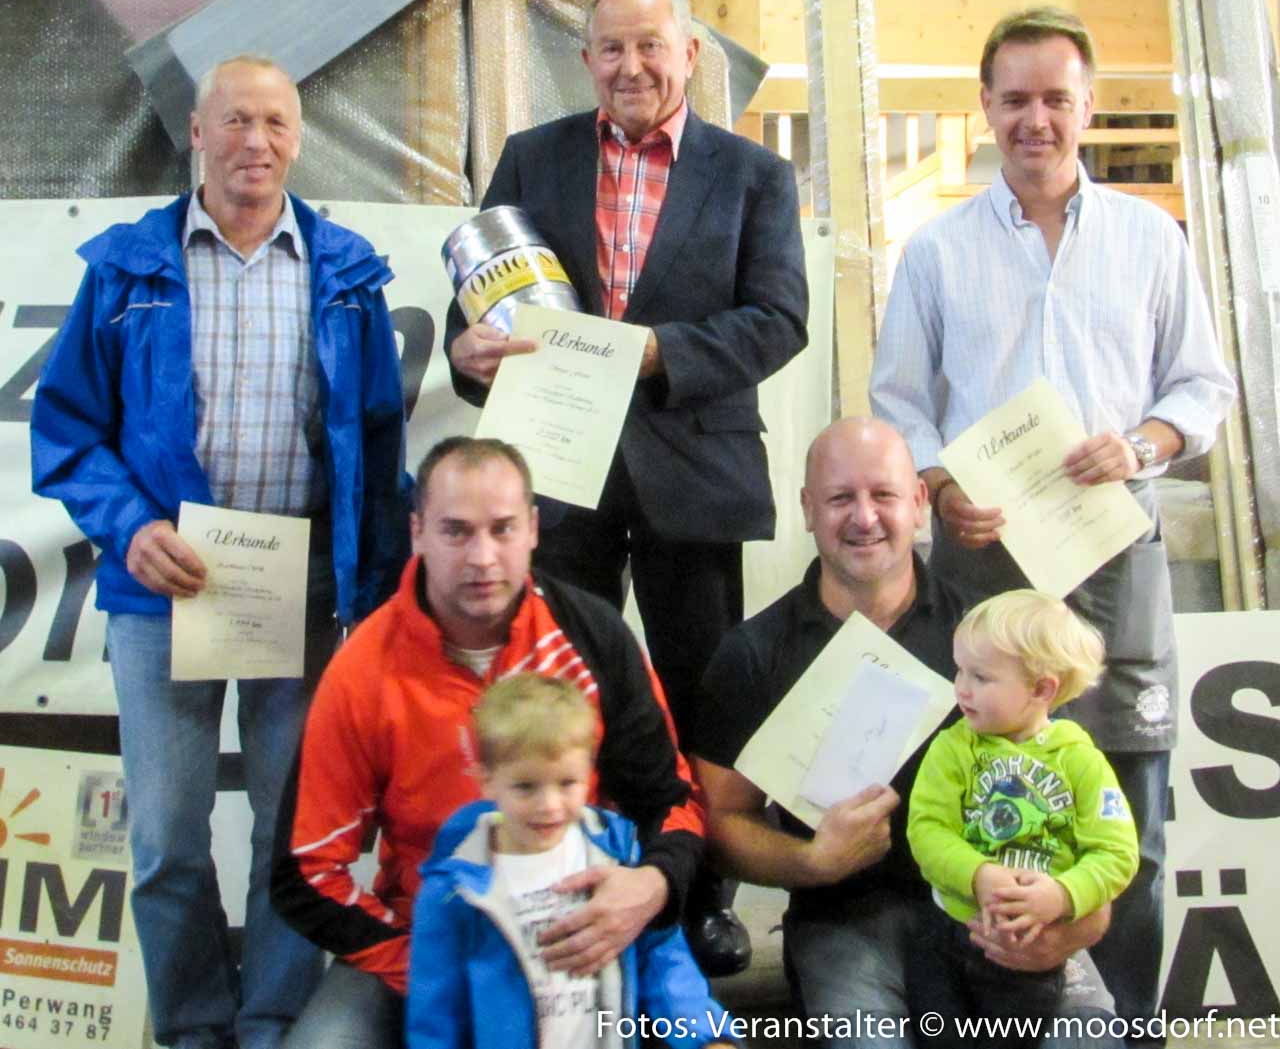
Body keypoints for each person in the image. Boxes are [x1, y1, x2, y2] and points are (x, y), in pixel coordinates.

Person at [869, 5, 1235, 1040]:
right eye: (1016, 99)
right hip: (985, 564)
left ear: (1088, 106)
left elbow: (1201, 387)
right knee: (975, 807)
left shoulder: (1149, 238)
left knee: (1130, 818)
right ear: (985, 107)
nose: (1036, 119)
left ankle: (1121, 1026)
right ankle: (992, 1022)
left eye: (1056, 99)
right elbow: (899, 401)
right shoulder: (935, 251)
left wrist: (1144, 445)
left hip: (1114, 554)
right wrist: (941, 486)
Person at [29, 55, 409, 1049]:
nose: (256, 141)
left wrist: (376, 601)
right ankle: (195, 1026)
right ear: (196, 133)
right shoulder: (127, 270)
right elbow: (67, 430)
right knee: (163, 837)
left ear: (297, 138)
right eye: (236, 119)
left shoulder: (345, 274)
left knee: (294, 831)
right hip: (164, 590)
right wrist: (131, 527)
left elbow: (378, 444)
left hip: (300, 589)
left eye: (275, 122)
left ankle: (274, 1018)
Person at [445, 0, 810, 973]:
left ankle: (697, 901)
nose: (631, 65)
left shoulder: (752, 175)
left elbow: (779, 319)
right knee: (562, 685)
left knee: (702, 691)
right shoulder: (533, 158)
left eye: (651, 46)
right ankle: (569, 873)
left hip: (695, 469)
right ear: (585, 60)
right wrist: (466, 356)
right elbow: (479, 305)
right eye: (610, 48)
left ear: (690, 54)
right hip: (559, 467)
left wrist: (656, 353)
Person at [693, 416, 1127, 1049]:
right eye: (840, 498)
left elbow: (1079, 799)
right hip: (847, 918)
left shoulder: (993, 636)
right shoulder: (752, 654)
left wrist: (1078, 922)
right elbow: (720, 822)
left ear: (920, 503)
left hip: (1002, 909)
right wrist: (812, 862)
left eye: (884, 495)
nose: (864, 517)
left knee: (1088, 1041)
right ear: (807, 509)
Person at [272, 436, 705, 1049]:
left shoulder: (594, 636)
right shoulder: (363, 670)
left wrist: (652, 887)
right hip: (427, 937)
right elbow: (303, 870)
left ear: (532, 529)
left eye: (502, 529)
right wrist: (438, 962)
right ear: (418, 532)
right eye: (456, 531)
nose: (482, 557)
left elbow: (671, 800)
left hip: (583, 930)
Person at [407, 673, 733, 1049]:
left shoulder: (617, 856)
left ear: (589, 772)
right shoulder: (453, 892)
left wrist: (707, 1037)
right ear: (486, 779)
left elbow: (663, 961)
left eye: (567, 783)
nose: (549, 805)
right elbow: (435, 1020)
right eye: (526, 786)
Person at [906, 591, 1139, 1049]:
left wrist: (1062, 895)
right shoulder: (952, 748)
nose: (962, 688)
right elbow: (927, 829)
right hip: (948, 935)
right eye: (959, 670)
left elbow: (1117, 853)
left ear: (1041, 689)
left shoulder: (1080, 760)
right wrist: (978, 874)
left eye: (981, 677)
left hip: (1033, 950)